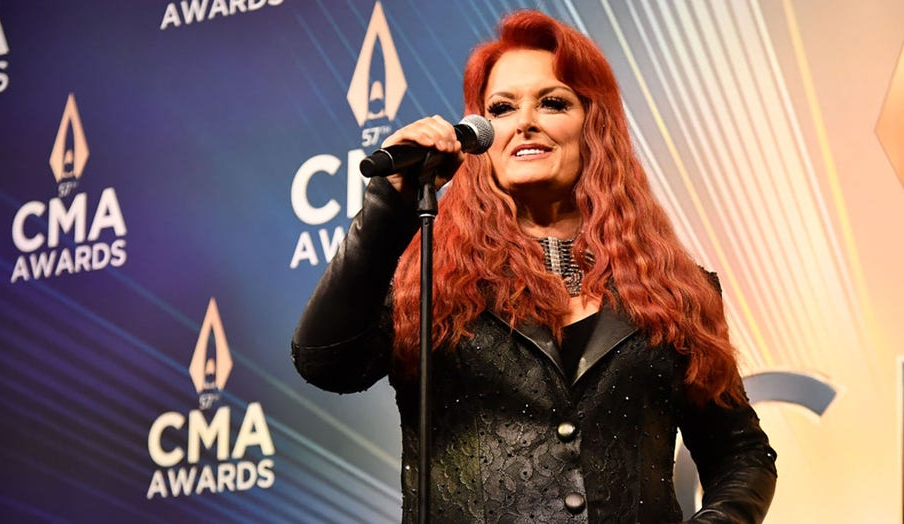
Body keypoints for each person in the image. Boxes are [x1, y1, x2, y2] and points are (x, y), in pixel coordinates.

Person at [292, 9, 776, 523]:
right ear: (481, 140)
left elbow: (741, 455)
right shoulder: (425, 278)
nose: (525, 121)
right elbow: (326, 363)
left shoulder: (677, 289)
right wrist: (388, 209)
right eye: (501, 108)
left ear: (594, 125)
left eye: (552, 102)